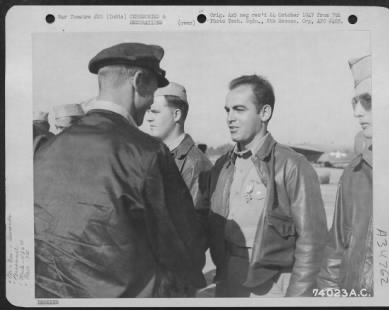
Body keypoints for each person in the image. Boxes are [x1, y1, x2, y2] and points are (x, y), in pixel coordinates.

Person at [34, 42, 206, 298]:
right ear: (137, 81)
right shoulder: (147, 153)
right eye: (152, 91)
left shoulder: (46, 148)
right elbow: (186, 251)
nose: (149, 105)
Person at [205, 75, 328, 297]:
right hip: (228, 283)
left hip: (272, 287)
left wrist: (297, 299)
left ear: (264, 113)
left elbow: (312, 243)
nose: (230, 118)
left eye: (239, 109)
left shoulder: (292, 166)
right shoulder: (223, 166)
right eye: (227, 110)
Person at [317, 55, 373, 296]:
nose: (358, 113)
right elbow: (335, 251)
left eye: (368, 101)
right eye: (355, 103)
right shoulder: (355, 173)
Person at [146, 82, 213, 219]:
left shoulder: (196, 164)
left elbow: (190, 224)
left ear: (176, 115)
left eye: (155, 112)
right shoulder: (155, 156)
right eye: (147, 111)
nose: (148, 118)